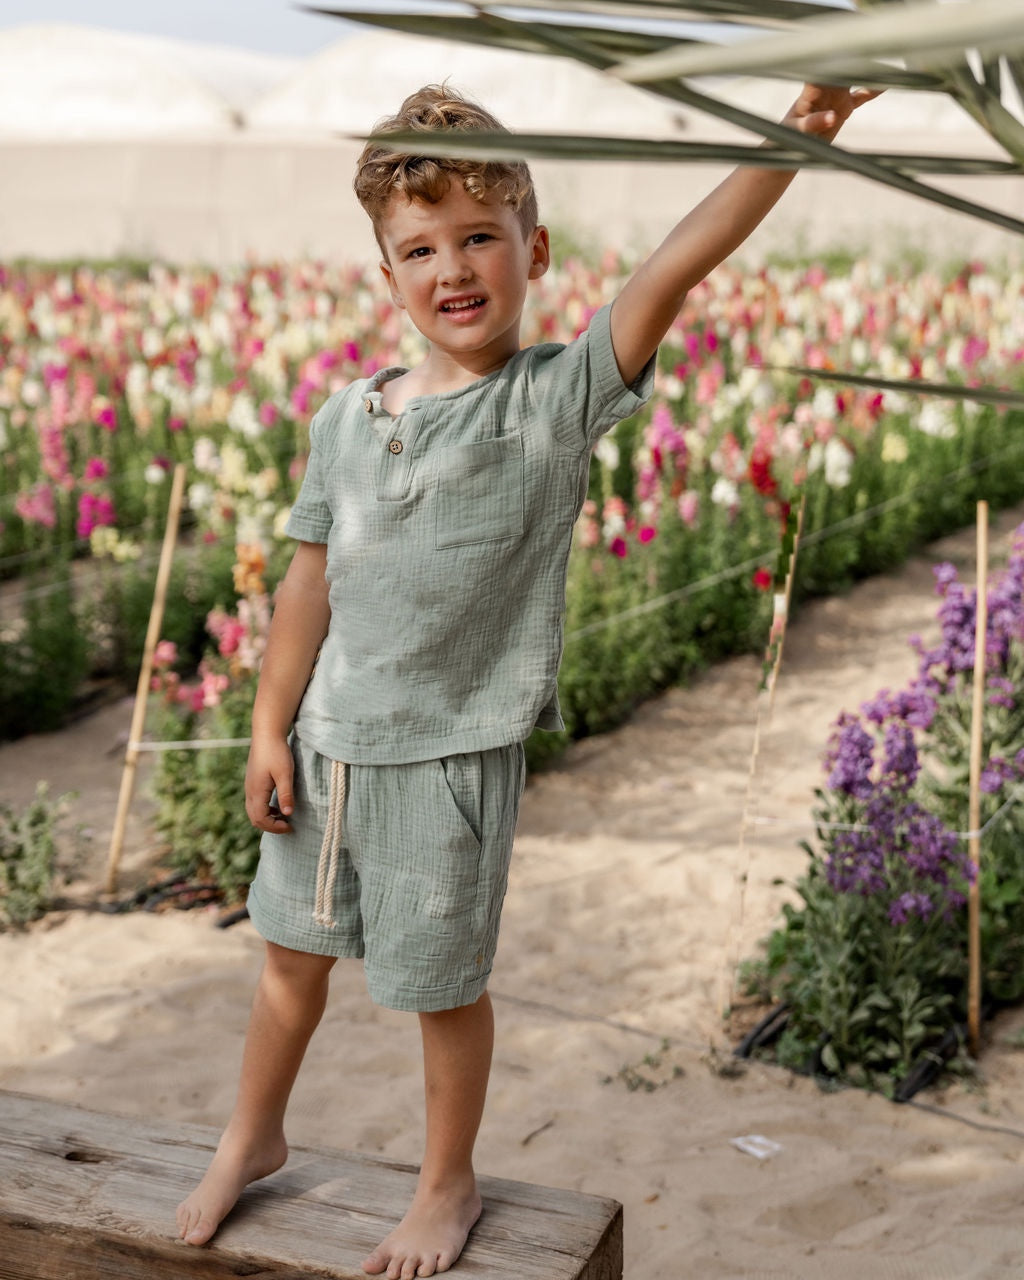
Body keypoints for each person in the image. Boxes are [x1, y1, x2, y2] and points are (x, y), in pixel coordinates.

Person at [176, 79, 876, 1279]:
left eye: (479, 239)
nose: (452, 269)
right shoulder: (348, 418)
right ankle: (254, 1130)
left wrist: (795, 139)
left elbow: (672, 271)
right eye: (420, 249)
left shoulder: (548, 403)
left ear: (532, 249)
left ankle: (447, 1182)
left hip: (446, 756)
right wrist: (265, 725)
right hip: (330, 740)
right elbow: (306, 583)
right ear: (385, 275)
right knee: (288, 956)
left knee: (441, 987)